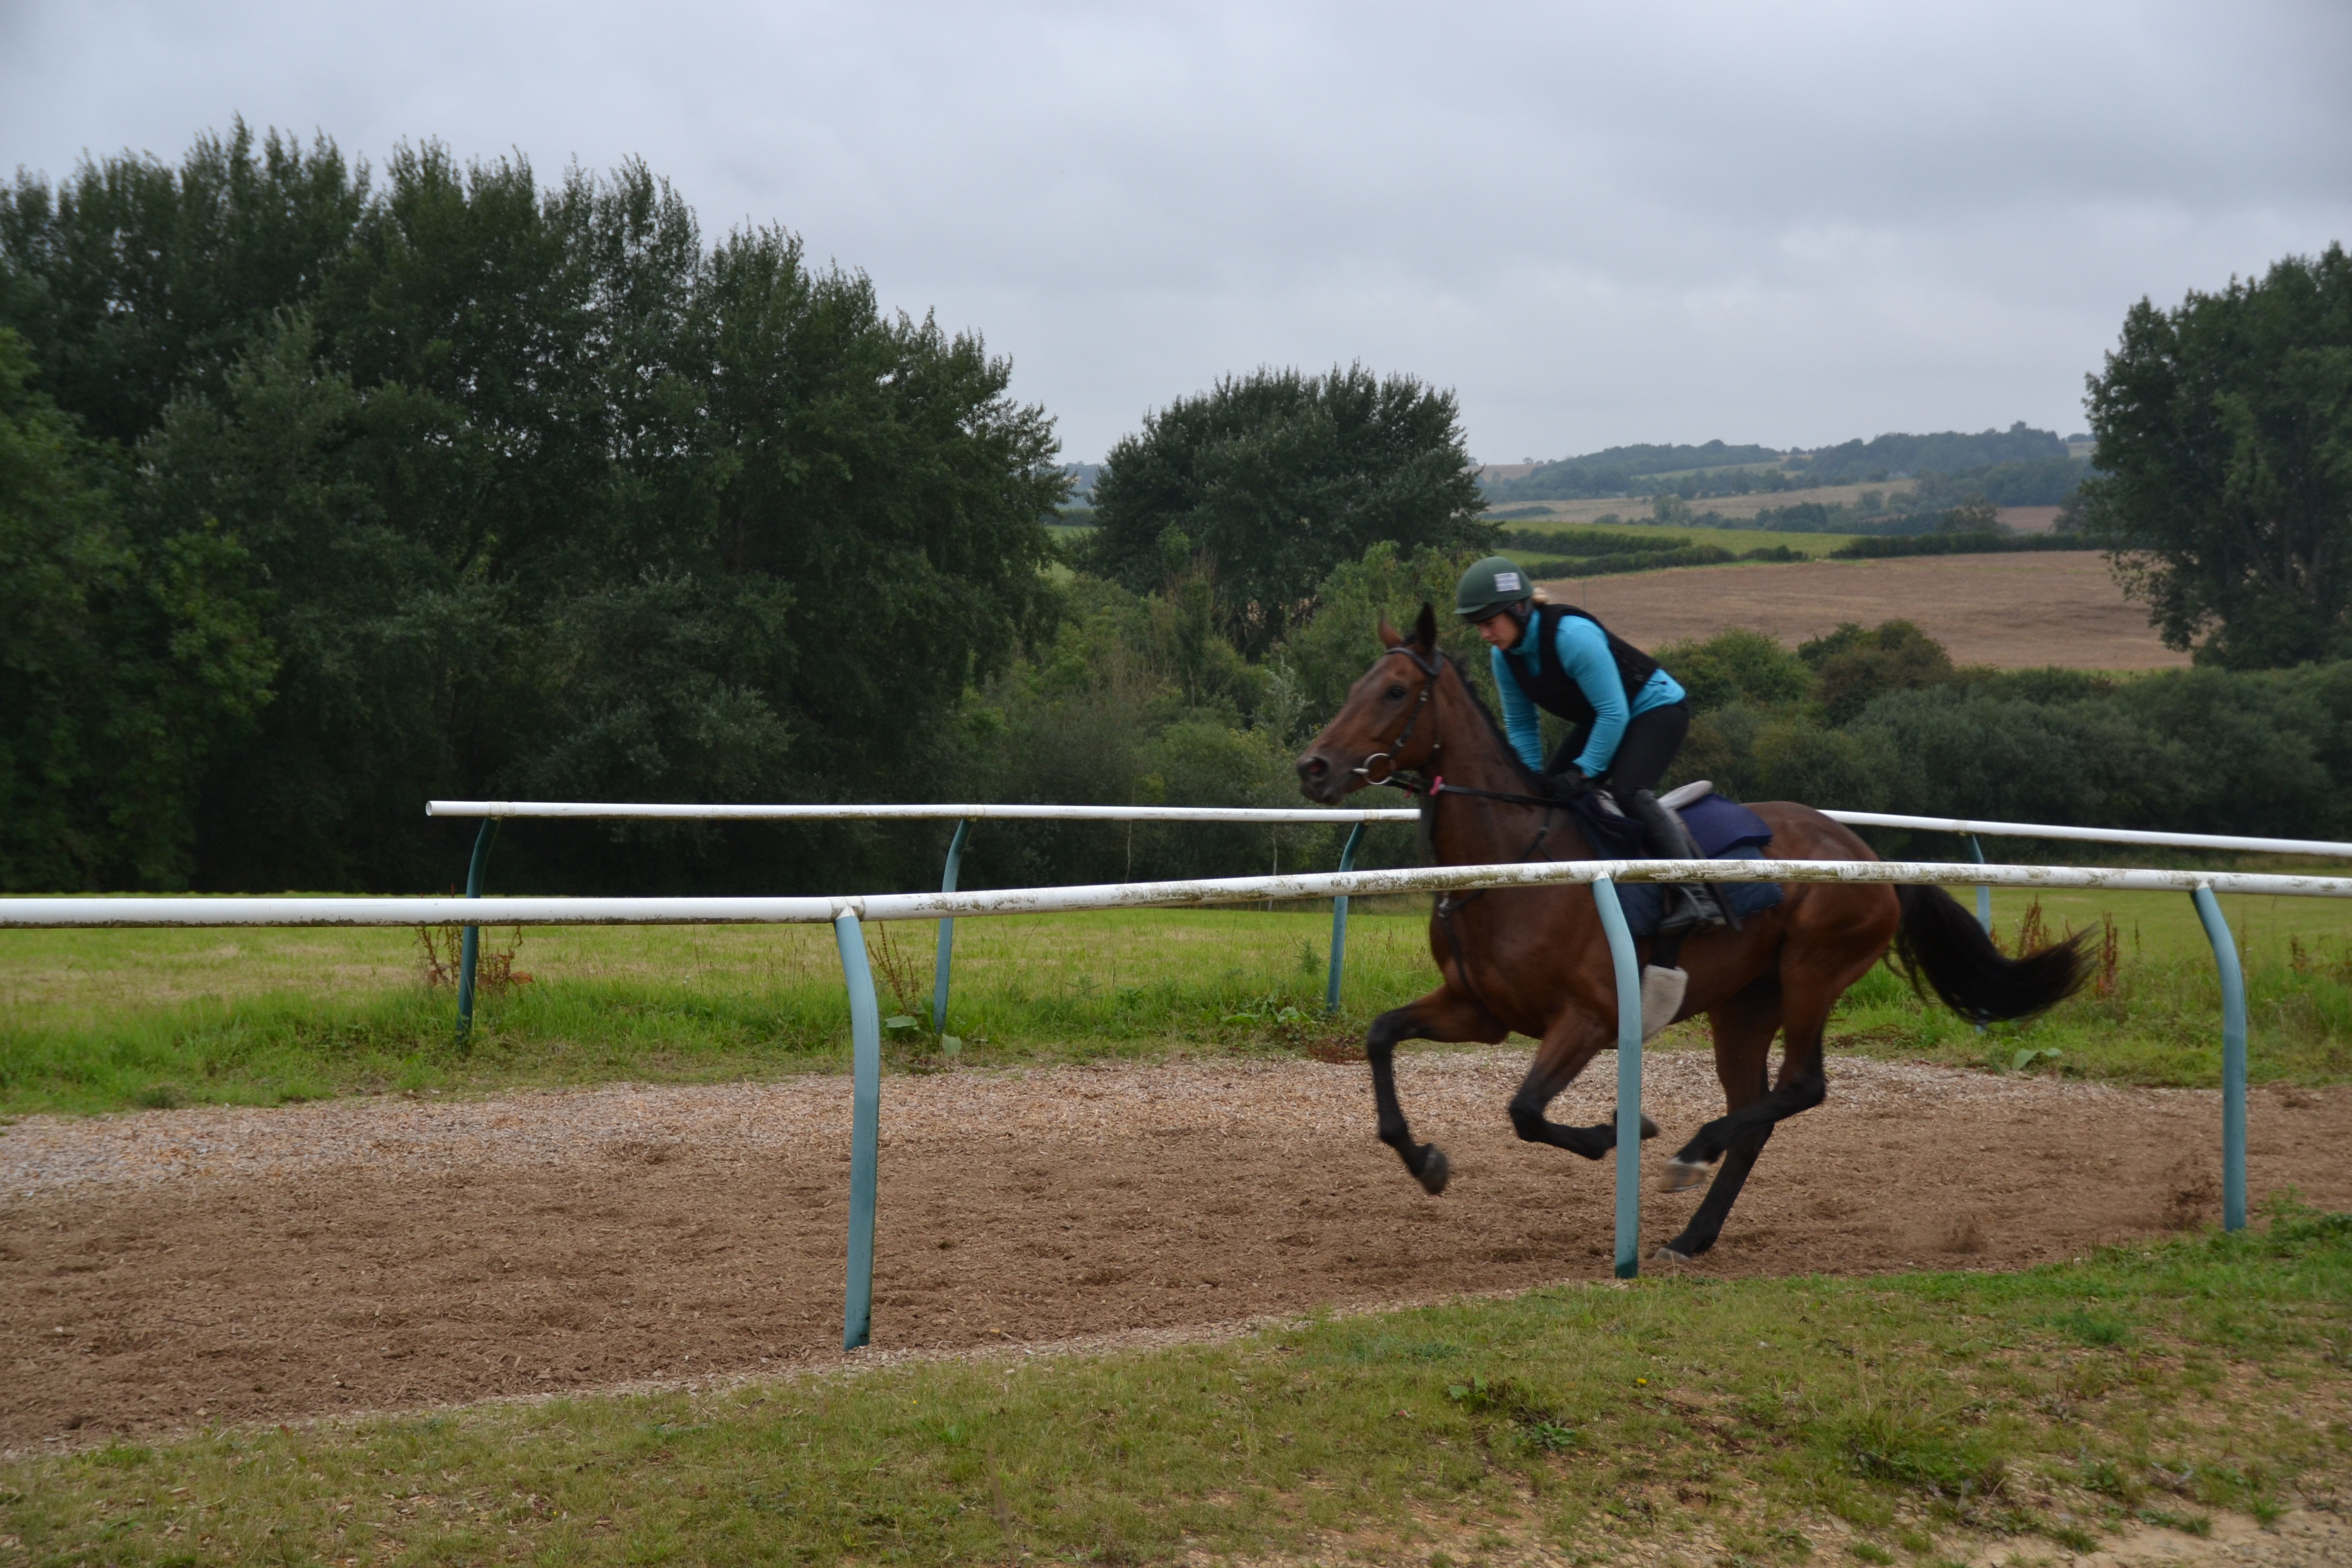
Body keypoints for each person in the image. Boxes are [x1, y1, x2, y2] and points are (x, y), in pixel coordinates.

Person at [1454, 554, 1726, 934]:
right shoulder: (1505, 657)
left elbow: (1614, 713)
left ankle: (1697, 895)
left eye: (1489, 623)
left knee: (1629, 792)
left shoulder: (1571, 636)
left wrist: (1585, 771)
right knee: (1547, 796)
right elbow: (1520, 725)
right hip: (1606, 718)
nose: (1485, 634)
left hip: (1657, 707)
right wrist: (1532, 779)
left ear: (1518, 608)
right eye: (1478, 626)